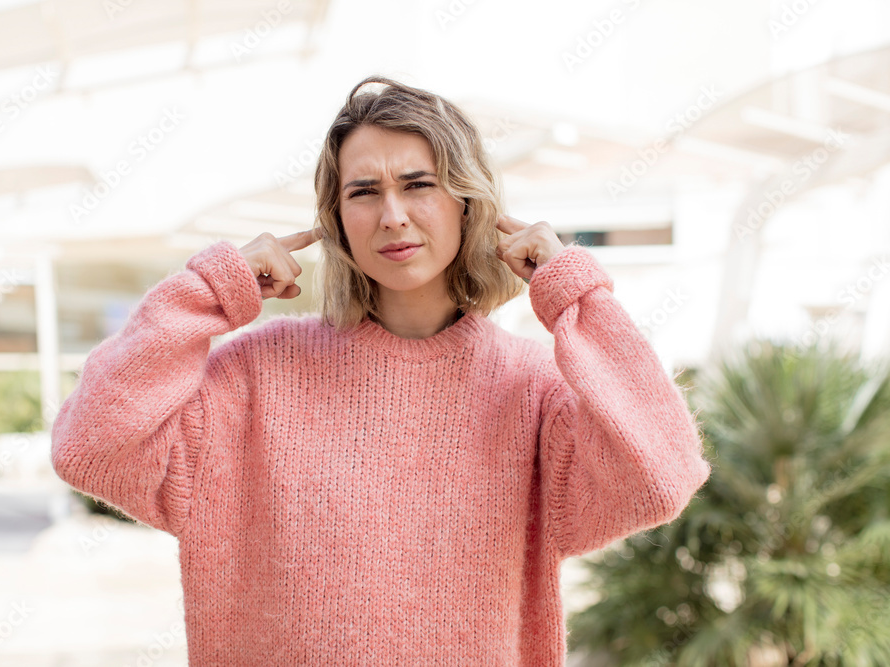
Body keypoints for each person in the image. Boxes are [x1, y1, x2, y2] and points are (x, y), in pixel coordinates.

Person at [51, 76, 711, 665]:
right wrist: (210, 288)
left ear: (466, 201)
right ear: (338, 220)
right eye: (364, 191)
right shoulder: (255, 376)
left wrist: (577, 294)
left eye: (418, 184)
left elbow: (663, 475)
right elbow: (90, 446)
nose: (392, 214)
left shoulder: (531, 388)